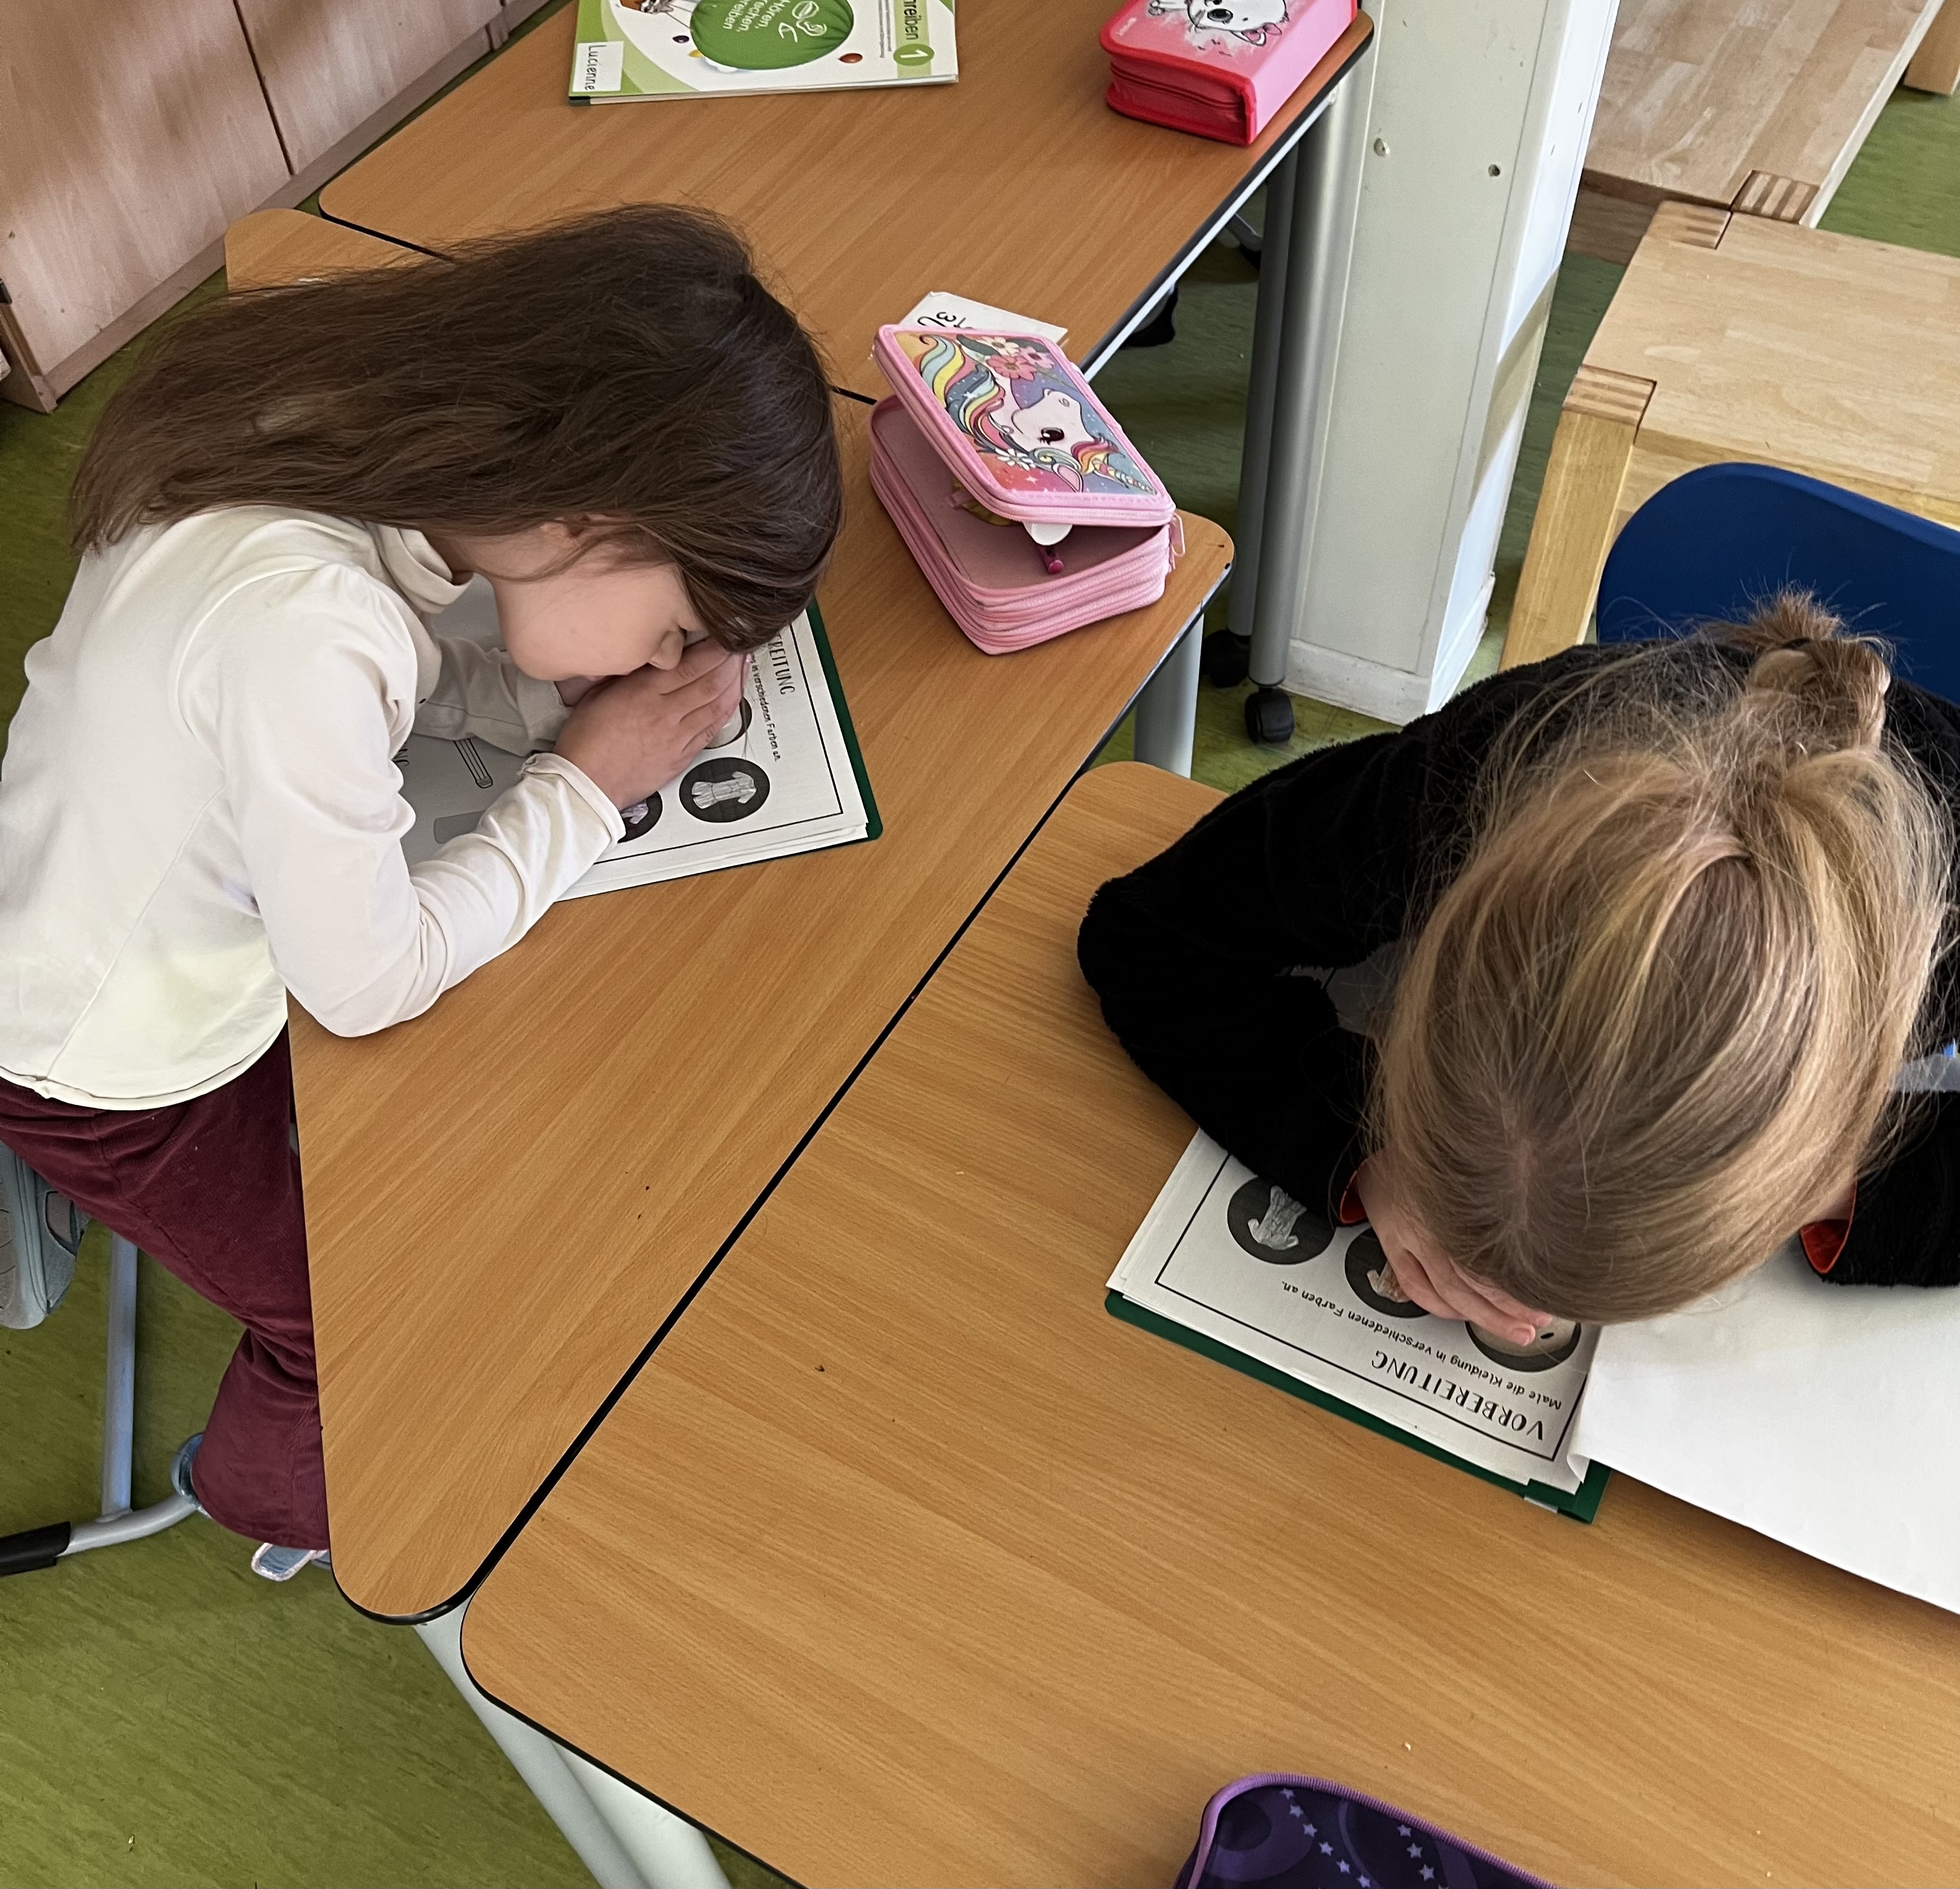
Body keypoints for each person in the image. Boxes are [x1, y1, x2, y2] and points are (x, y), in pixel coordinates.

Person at [0, 206, 841, 1577]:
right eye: (678, 626)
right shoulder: (301, 631)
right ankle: (252, 1494)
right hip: (103, 1069)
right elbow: (367, 983)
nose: (661, 659)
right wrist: (586, 784)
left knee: (460, 1152)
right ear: (589, 514)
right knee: (363, 1324)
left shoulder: (322, 419)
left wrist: (532, 703)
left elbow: (379, 660)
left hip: (73, 901)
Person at [1079, 596, 1959, 1343]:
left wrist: (1821, 1183)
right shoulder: (1460, 790)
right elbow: (1146, 936)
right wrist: (1366, 1153)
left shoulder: (1937, 927)